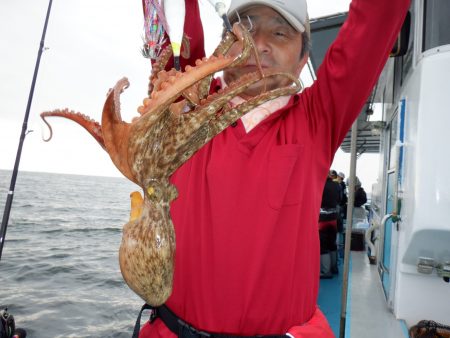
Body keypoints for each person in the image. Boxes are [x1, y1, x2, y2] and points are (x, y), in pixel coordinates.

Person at [138, 0, 410, 337]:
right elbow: (165, 27)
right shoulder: (187, 105)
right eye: (245, 29)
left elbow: (377, 17)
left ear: (302, 62)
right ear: (223, 45)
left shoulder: (317, 118)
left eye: (279, 33)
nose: (259, 44)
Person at [318, 173, 342, 278]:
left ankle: (325, 271)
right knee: (332, 244)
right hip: (333, 219)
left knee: (323, 246)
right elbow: (340, 200)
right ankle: (334, 267)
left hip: (322, 219)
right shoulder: (337, 185)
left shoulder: (320, 184)